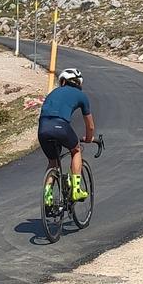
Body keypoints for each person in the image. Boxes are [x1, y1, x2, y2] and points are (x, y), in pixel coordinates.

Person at [38, 67, 98, 209]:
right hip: (61, 126)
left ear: (63, 81)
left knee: (53, 161)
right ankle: (76, 190)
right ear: (79, 83)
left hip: (43, 127)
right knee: (76, 150)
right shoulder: (81, 96)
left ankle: (47, 197)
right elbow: (90, 126)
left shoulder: (53, 92)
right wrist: (89, 139)